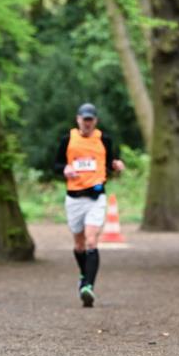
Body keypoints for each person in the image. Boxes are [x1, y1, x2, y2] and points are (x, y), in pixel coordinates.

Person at [54, 103, 124, 307]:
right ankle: (84, 274)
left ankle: (88, 287)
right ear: (78, 120)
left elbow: (111, 163)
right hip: (74, 198)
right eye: (84, 119)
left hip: (96, 197)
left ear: (95, 121)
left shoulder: (104, 139)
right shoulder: (68, 139)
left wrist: (117, 166)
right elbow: (56, 165)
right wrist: (65, 169)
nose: (87, 123)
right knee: (79, 245)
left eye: (90, 120)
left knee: (91, 241)